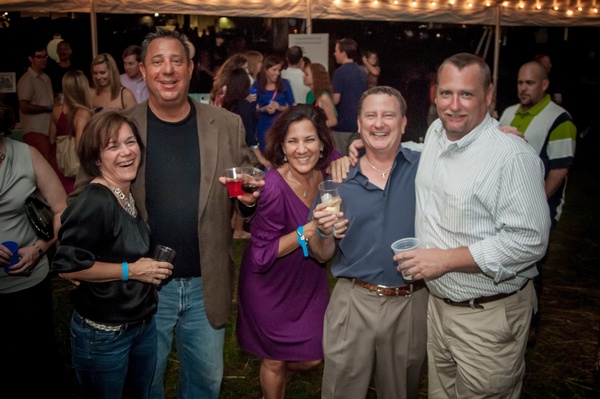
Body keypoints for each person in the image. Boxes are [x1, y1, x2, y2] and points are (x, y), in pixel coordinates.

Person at [72, 28, 259, 399]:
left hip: (207, 283)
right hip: (143, 286)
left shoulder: (225, 125)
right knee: (144, 385)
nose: (168, 70)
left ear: (191, 69)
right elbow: (83, 194)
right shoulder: (118, 128)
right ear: (142, 69)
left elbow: (247, 185)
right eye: (157, 61)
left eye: (177, 61)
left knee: (205, 384)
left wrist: (249, 201)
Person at [395, 53, 551, 398]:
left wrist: (445, 260)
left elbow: (529, 241)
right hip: (439, 309)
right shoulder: (437, 132)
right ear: (435, 94)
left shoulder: (512, 157)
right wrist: (370, 147)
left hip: (488, 317)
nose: (454, 105)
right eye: (446, 93)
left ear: (489, 95)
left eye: (466, 94)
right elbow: (416, 151)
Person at [309, 86, 427, 399]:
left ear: (403, 123)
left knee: (401, 390)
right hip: (353, 301)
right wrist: (323, 232)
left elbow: (465, 148)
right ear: (359, 124)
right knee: (340, 391)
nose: (379, 123)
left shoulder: (426, 169)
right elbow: (322, 255)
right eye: (370, 116)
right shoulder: (337, 183)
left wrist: (502, 134)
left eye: (389, 115)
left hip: (411, 301)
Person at [52, 111, 173, 399]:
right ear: (96, 158)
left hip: (141, 326)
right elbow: (68, 266)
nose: (126, 152)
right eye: (112, 146)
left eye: (130, 142)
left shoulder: (126, 193)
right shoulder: (96, 200)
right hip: (104, 335)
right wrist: (131, 271)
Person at [237, 104, 341, 399]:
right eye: (292, 141)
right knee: (274, 358)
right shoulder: (272, 188)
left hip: (308, 280)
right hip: (271, 285)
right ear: (282, 146)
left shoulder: (324, 173)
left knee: (313, 357)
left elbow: (343, 155)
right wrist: (304, 232)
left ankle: (281, 376)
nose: (302, 149)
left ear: (322, 143)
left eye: (309, 139)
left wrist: (348, 154)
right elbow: (261, 255)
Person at [498, 60, 576, 344]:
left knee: (533, 264)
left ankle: (531, 323)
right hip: (506, 207)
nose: (523, 88)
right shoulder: (508, 113)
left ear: (545, 84)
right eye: (520, 82)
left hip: (540, 209)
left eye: (530, 83)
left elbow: (560, 169)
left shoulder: (560, 119)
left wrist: (537, 204)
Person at [0, 100, 70, 398]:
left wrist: (40, 249)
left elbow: (60, 209)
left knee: (36, 358)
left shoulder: (26, 155)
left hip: (30, 279)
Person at [222, 67, 267, 239]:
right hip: (244, 152)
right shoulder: (246, 107)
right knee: (245, 187)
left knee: (234, 187)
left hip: (228, 151)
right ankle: (239, 229)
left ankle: (233, 221)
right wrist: (261, 158)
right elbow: (249, 136)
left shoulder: (227, 106)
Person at [49, 70, 93, 194]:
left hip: (61, 168)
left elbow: (52, 139)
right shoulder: (83, 113)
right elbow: (80, 147)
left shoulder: (56, 110)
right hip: (77, 173)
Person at [17, 43, 54, 163]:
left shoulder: (46, 77)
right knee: (42, 168)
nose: (43, 60)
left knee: (50, 165)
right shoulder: (26, 79)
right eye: (39, 57)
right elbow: (24, 107)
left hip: (48, 130)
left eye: (45, 56)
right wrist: (48, 108)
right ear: (30, 59)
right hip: (35, 131)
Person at [331, 38, 368, 155]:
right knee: (355, 159)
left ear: (344, 53)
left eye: (336, 51)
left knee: (340, 160)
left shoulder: (339, 72)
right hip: (358, 123)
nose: (334, 54)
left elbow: (336, 99)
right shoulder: (363, 72)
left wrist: (325, 100)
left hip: (342, 124)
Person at [252, 55, 295, 152]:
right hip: (263, 128)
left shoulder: (285, 84)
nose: (277, 73)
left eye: (279, 70)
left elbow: (293, 107)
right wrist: (264, 109)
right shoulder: (257, 86)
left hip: (281, 127)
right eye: (274, 70)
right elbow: (251, 109)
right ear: (266, 70)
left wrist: (279, 107)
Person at [303, 62, 337, 128]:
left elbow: (333, 121)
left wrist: (317, 127)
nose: (303, 76)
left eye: (307, 74)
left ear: (315, 77)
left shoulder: (323, 97)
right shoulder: (309, 94)